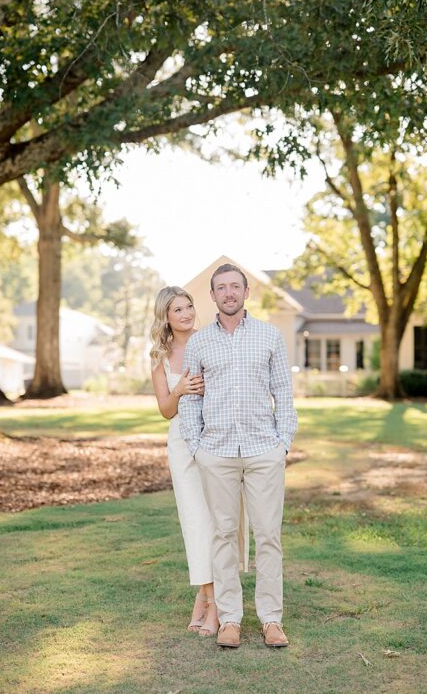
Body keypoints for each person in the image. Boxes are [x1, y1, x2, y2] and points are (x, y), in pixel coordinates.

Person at [179, 263, 298, 650]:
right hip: (217, 453)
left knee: (268, 537)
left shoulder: (269, 336)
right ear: (212, 295)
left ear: (246, 292)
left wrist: (282, 443)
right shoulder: (199, 343)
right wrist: (196, 447)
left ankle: (271, 620)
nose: (228, 293)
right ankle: (230, 619)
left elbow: (284, 393)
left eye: (235, 286)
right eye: (221, 287)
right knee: (224, 536)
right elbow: (189, 399)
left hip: (264, 450)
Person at [149, 286, 249, 637]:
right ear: (166, 316)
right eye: (177, 309)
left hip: (218, 438)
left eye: (189, 306)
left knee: (221, 520)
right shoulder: (159, 357)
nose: (187, 313)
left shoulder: (212, 340)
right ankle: (208, 597)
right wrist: (180, 389)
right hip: (182, 443)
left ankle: (213, 602)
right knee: (196, 522)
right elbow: (165, 410)